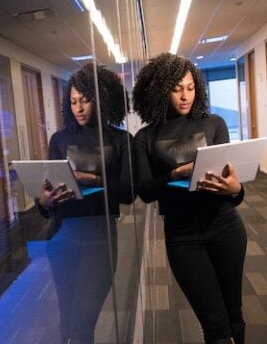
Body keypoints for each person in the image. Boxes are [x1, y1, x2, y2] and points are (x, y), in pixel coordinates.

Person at [132, 53, 246, 344]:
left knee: (234, 314)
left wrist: (236, 190)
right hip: (183, 236)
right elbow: (145, 192)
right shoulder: (145, 137)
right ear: (159, 90)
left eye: (191, 87)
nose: (186, 96)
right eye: (177, 88)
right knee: (214, 323)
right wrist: (173, 176)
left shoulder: (214, 123)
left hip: (225, 227)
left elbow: (231, 189)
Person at [36, 63, 134, 343]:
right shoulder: (59, 139)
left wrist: (87, 178)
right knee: (68, 322)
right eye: (73, 101)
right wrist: (45, 201)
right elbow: (48, 197)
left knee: (82, 323)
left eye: (85, 100)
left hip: (100, 238)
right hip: (61, 236)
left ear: (101, 98)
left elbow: (128, 193)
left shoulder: (119, 139)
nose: (78, 108)